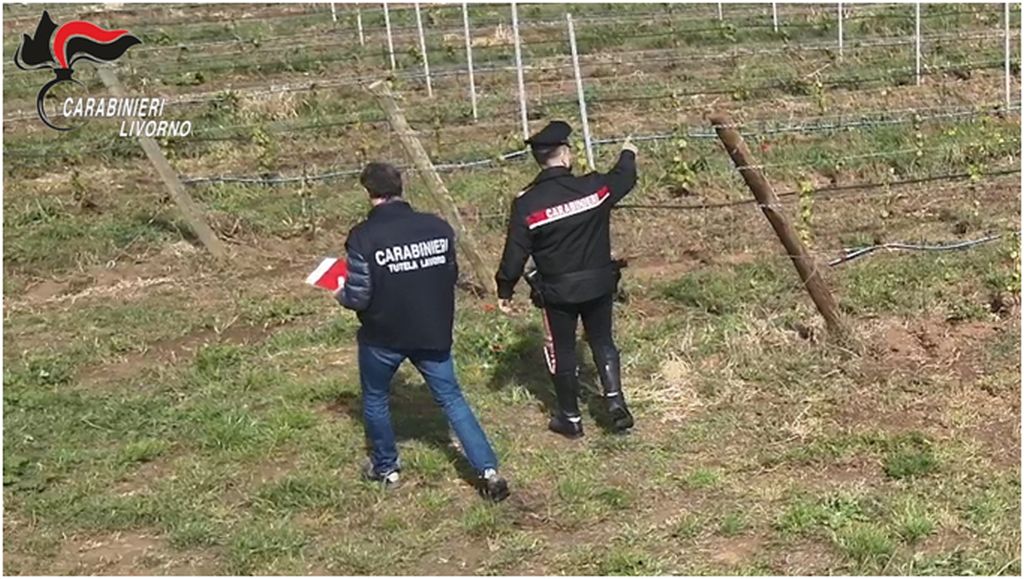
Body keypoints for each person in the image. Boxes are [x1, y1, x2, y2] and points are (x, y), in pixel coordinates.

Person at [335, 161, 509, 502]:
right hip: (432, 331)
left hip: (383, 337)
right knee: (452, 399)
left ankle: (386, 468)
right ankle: (488, 470)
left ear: (369, 192)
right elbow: (449, 274)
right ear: (401, 187)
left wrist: (339, 291)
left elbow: (358, 297)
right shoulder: (438, 227)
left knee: (376, 398)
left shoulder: (362, 237)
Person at [495, 121, 638, 439]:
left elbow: (515, 253)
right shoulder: (594, 189)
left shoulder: (527, 204)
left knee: (563, 350)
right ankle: (616, 403)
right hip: (599, 283)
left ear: (539, 160)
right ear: (565, 154)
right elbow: (624, 178)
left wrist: (505, 288)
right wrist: (628, 153)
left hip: (558, 291)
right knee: (602, 341)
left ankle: (570, 418)